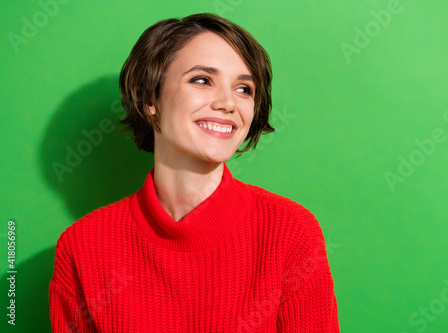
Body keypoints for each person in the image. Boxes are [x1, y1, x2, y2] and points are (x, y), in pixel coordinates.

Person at [49, 13, 340, 332]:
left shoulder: (289, 232)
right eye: (202, 80)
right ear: (150, 99)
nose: (229, 103)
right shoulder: (82, 246)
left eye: (244, 89)